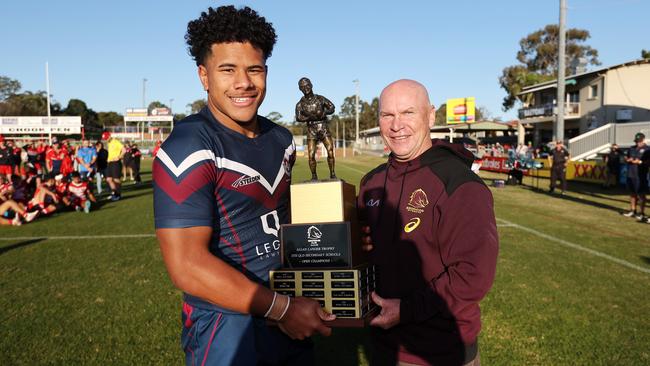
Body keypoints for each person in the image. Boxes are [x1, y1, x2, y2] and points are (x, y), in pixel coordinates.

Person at [153, 5, 333, 366]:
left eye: (254, 69)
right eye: (227, 70)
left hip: (287, 310)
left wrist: (337, 239)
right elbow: (186, 265)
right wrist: (281, 308)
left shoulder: (281, 138)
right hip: (226, 323)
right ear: (204, 76)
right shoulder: (189, 146)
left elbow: (281, 219)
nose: (244, 83)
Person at [357, 79, 498, 366]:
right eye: (387, 115)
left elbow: (473, 275)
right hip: (383, 346)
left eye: (408, 112)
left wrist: (407, 309)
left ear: (431, 115)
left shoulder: (458, 183)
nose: (397, 125)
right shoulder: (371, 182)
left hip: (440, 352)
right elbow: (361, 249)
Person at [295, 77, 336, 180]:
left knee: (330, 150)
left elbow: (332, 107)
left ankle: (332, 173)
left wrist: (324, 113)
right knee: (311, 154)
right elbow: (298, 117)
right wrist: (310, 117)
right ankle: (314, 176)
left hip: (323, 127)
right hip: (311, 130)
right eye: (303, 87)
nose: (306, 88)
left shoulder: (320, 99)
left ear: (311, 85)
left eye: (307, 85)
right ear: (300, 89)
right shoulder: (300, 104)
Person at [622, 132, 648, 221]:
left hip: (640, 176)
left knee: (641, 195)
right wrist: (627, 159)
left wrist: (640, 162)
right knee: (632, 194)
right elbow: (625, 157)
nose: (637, 143)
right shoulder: (631, 148)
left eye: (639, 141)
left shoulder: (647, 149)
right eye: (636, 141)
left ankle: (642, 213)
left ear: (643, 140)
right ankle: (633, 210)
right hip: (630, 174)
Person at [102, 131, 125, 201]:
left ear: (109, 136)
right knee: (108, 179)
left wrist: (119, 157)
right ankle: (114, 193)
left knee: (116, 179)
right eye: (104, 139)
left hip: (116, 163)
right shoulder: (109, 143)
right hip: (109, 163)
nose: (105, 140)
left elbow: (124, 150)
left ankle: (118, 194)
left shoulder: (116, 141)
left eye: (106, 138)